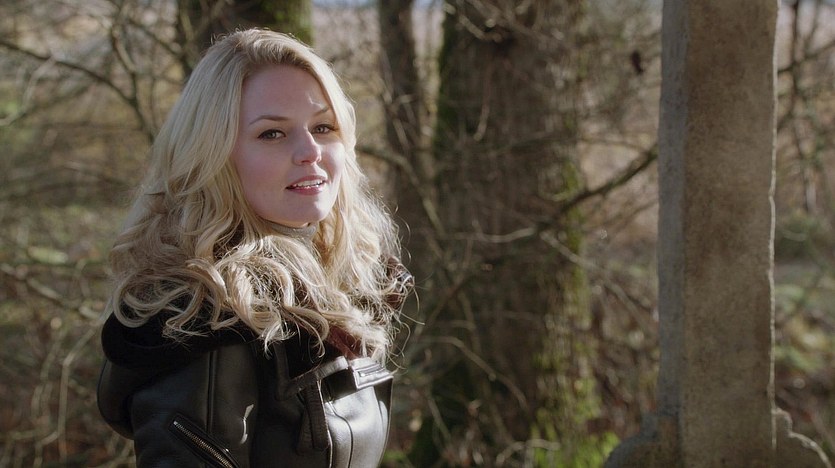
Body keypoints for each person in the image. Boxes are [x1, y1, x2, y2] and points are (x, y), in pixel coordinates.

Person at [96, 29, 412, 467]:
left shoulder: (343, 277)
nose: (310, 151)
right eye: (272, 133)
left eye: (323, 127)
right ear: (214, 155)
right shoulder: (206, 315)